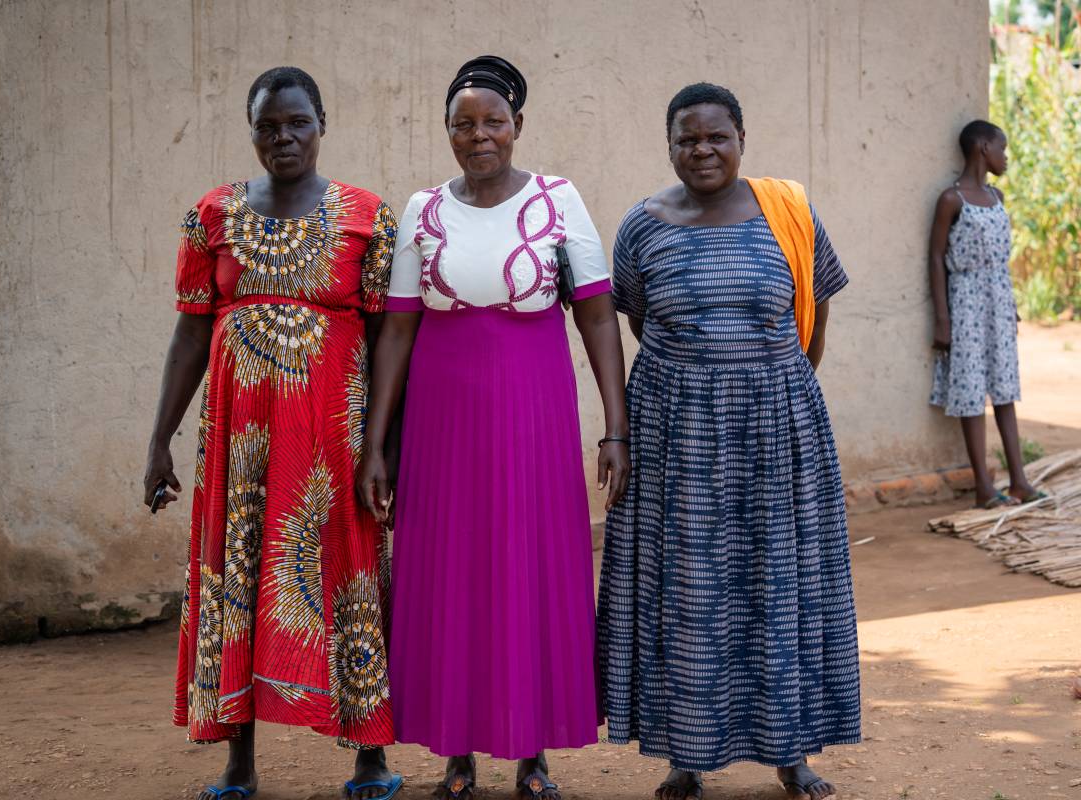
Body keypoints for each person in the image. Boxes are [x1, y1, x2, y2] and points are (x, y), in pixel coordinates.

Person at [355, 55, 630, 800]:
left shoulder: (559, 200)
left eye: (494, 122)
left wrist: (616, 427)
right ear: (447, 132)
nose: (480, 136)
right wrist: (376, 444)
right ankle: (456, 752)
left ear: (518, 126)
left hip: (531, 409)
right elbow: (398, 332)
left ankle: (532, 752)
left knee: (530, 566)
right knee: (449, 572)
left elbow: (598, 314)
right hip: (443, 420)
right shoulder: (422, 211)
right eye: (463, 124)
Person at [143, 67, 403, 800]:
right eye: (267, 126)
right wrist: (159, 438)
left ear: (323, 122)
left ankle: (371, 757)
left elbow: (388, 337)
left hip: (335, 441)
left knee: (349, 576)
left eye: (297, 123)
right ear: (251, 130)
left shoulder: (369, 216)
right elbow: (190, 334)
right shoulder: (212, 214)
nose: (282, 137)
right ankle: (239, 763)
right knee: (241, 578)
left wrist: (382, 445)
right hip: (240, 446)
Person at [596, 83, 860, 800]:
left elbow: (815, 311)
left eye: (716, 137)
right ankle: (687, 754)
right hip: (677, 431)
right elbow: (639, 324)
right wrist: (701, 380)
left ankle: (792, 751)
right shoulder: (641, 227)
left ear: (742, 138)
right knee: (689, 588)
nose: (702, 151)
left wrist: (772, 385)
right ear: (669, 145)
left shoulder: (790, 214)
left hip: (778, 427)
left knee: (783, 582)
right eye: (687, 139)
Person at [929, 119, 1045, 509]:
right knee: (970, 392)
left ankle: (1019, 481)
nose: (1005, 157)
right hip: (964, 302)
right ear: (982, 148)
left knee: (1005, 389)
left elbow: (1002, 261)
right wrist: (943, 319)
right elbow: (935, 257)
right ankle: (982, 486)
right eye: (1002, 148)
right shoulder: (951, 200)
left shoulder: (997, 197)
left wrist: (1010, 306)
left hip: (998, 300)